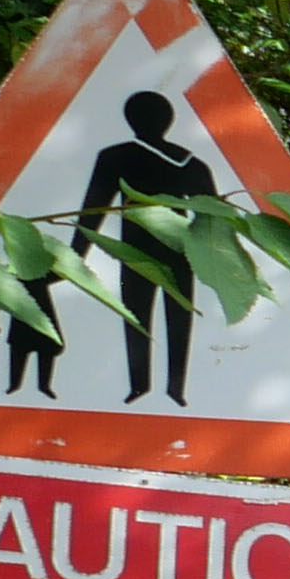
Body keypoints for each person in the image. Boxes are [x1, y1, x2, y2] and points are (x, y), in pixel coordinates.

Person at [74, 89, 223, 408]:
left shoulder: (117, 156)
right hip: (172, 252)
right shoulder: (189, 162)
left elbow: (92, 211)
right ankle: (169, 390)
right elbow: (215, 222)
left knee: (139, 318)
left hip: (143, 252)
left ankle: (148, 388)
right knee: (171, 319)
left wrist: (75, 256)